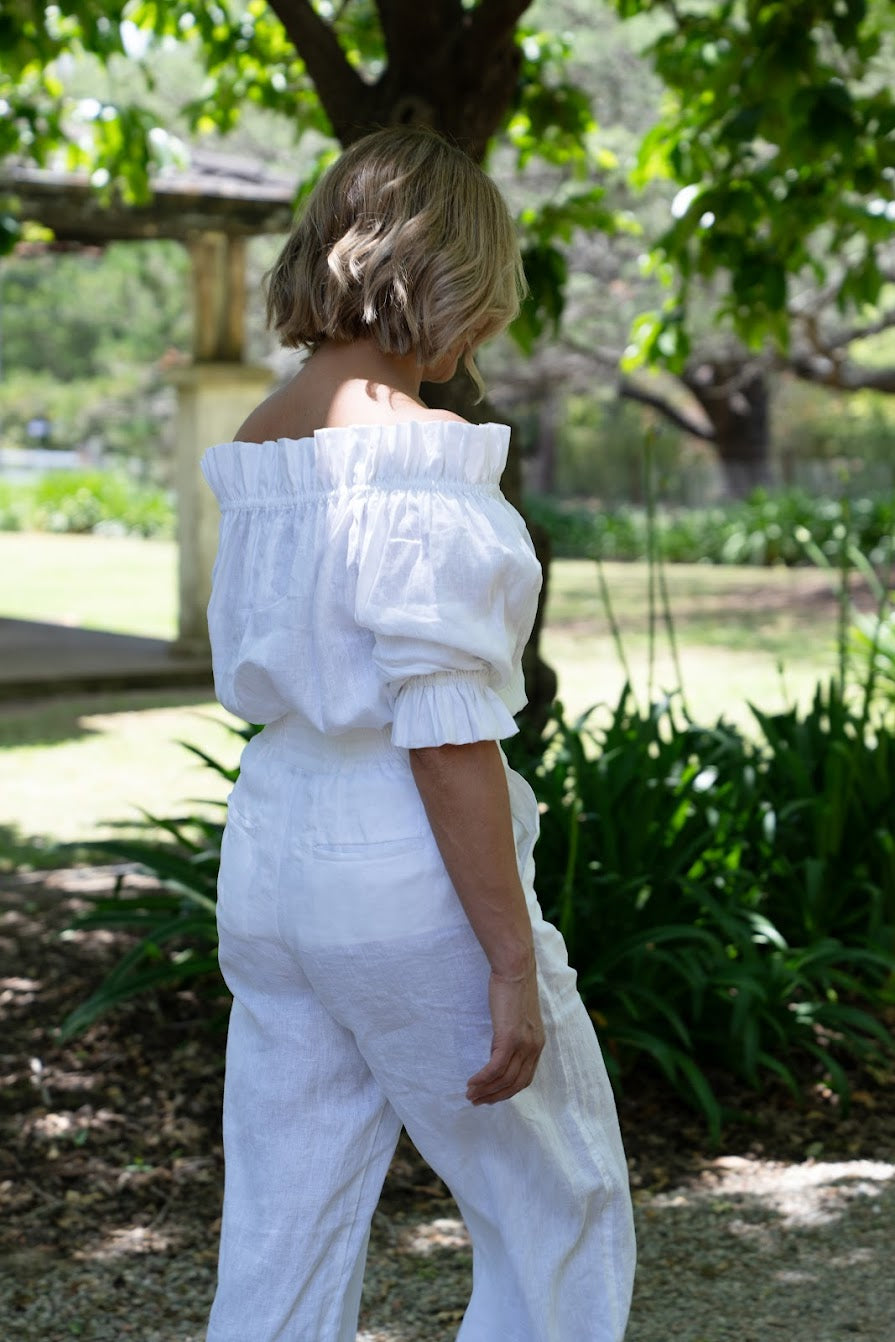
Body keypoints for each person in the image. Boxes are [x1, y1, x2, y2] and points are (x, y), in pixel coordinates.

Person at [200, 125, 635, 1342]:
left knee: (285, 1218)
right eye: (482, 307)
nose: (481, 338)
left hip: (271, 854)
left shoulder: (265, 441)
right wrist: (508, 960)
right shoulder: (421, 464)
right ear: (448, 277)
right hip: (401, 868)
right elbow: (444, 737)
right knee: (557, 1200)